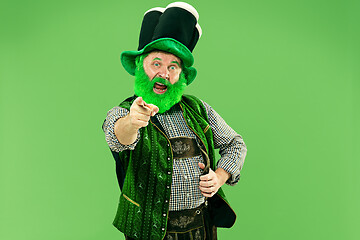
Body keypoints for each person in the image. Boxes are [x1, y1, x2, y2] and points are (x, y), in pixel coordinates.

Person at [102, 2, 247, 240]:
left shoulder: (198, 109)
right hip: (149, 232)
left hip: (200, 228)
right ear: (141, 66)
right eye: (156, 63)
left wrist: (220, 176)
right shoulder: (124, 112)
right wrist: (133, 121)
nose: (164, 74)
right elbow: (118, 138)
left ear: (181, 75)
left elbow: (235, 144)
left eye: (173, 66)